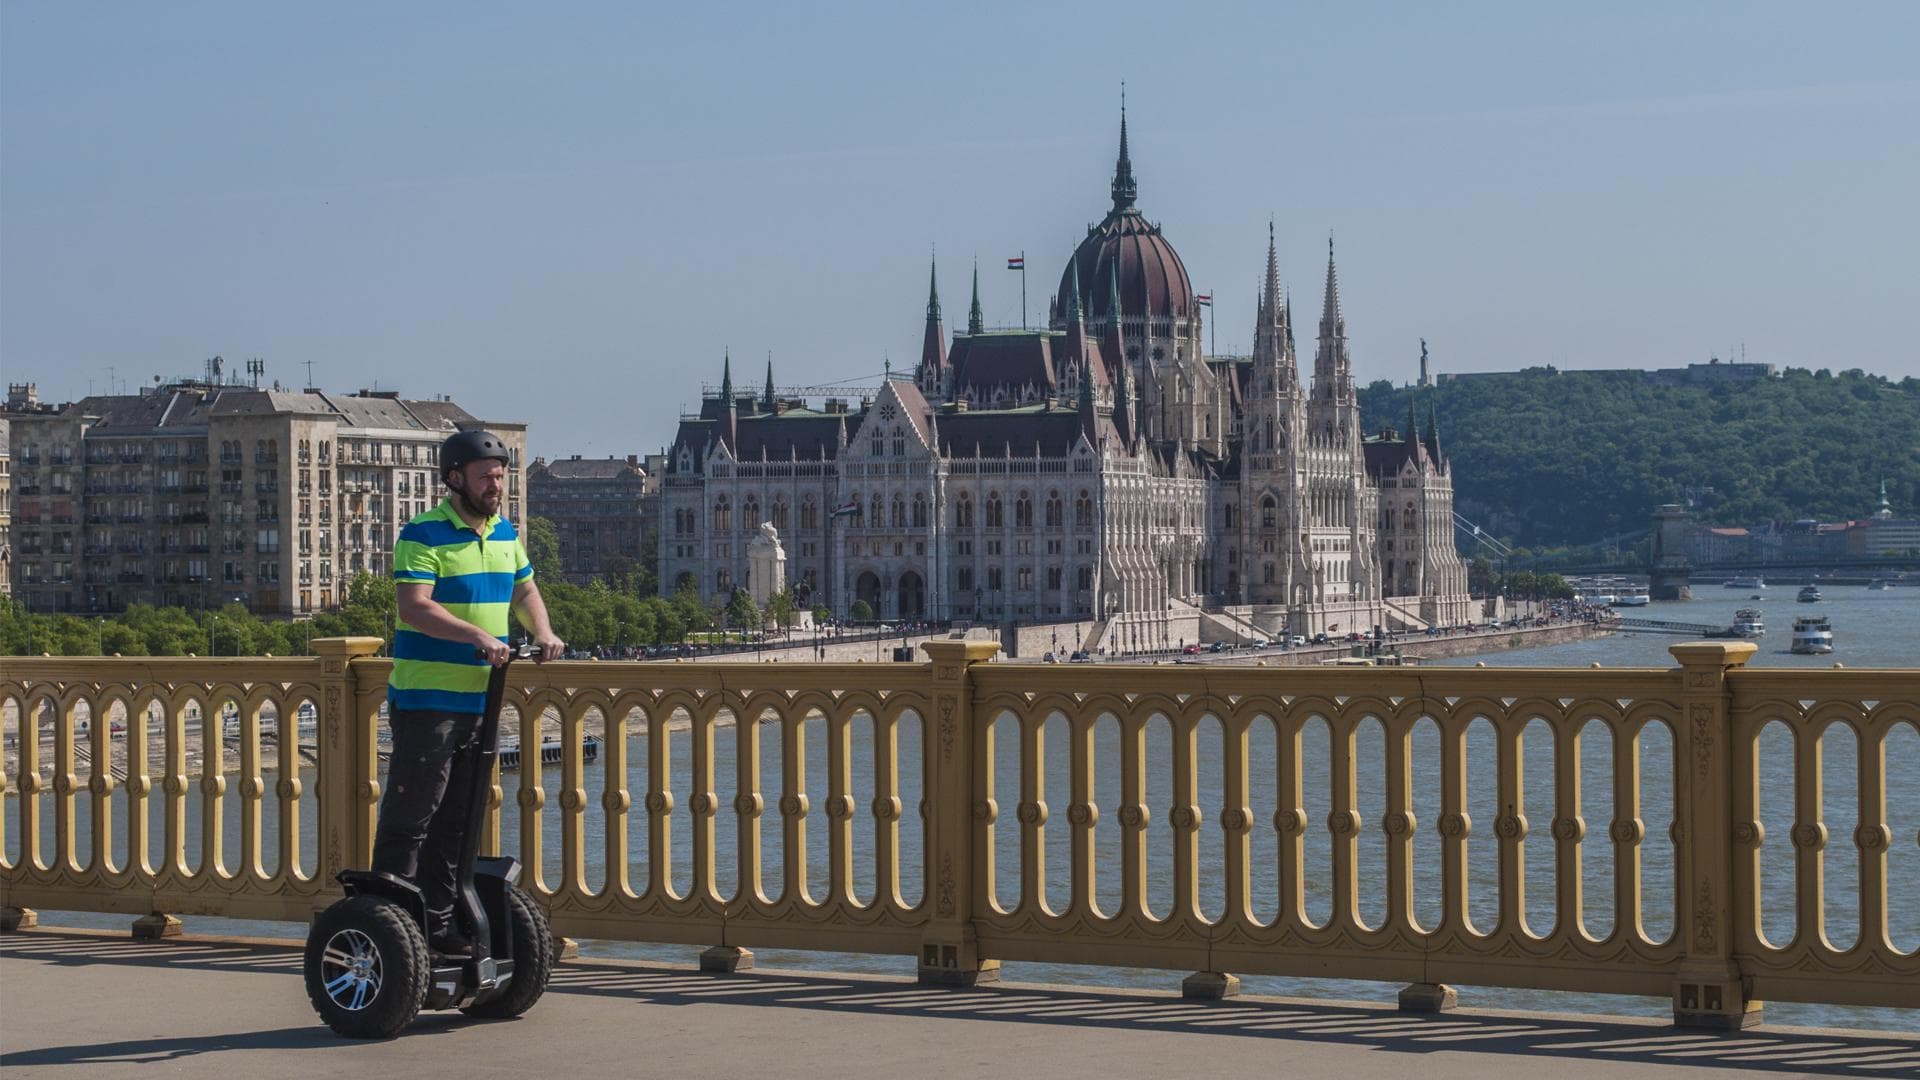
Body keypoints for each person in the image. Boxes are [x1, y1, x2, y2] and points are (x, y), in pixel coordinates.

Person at [371, 429, 564, 954]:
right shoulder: (423, 533)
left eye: (501, 476)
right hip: (427, 701)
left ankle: (437, 926)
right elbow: (414, 606)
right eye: (486, 477)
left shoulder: (504, 534)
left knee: (458, 823)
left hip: (481, 701)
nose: (496, 486)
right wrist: (478, 635)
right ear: (455, 478)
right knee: (412, 819)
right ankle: (389, 924)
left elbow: (524, 589)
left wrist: (542, 631)